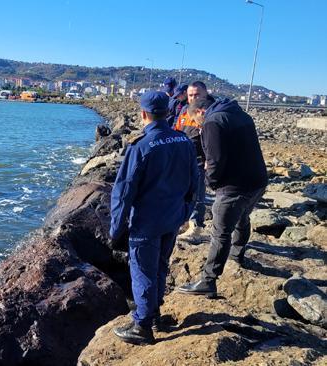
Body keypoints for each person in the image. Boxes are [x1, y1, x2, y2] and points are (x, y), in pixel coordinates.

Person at [110, 91, 198, 345]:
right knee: (160, 266)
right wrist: (185, 212)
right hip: (172, 219)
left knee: (142, 272)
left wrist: (116, 231)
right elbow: (195, 181)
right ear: (169, 112)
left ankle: (142, 326)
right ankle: (155, 314)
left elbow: (124, 191)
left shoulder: (141, 146)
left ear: (144, 114)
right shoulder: (183, 141)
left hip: (146, 223)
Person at [177, 97, 268, 298]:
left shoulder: (212, 121)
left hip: (234, 185)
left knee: (220, 231)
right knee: (242, 218)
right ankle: (237, 255)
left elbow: (215, 160)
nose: (197, 125)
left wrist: (211, 182)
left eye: (195, 120)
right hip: (258, 180)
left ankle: (208, 280)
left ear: (201, 111)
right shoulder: (240, 114)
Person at [175, 81, 215, 242]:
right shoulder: (185, 110)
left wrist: (209, 161)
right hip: (183, 159)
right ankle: (184, 222)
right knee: (181, 193)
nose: (193, 98)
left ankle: (196, 227)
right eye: (190, 95)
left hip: (200, 160)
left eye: (197, 94)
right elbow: (177, 130)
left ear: (205, 94)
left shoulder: (210, 112)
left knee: (197, 194)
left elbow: (213, 140)